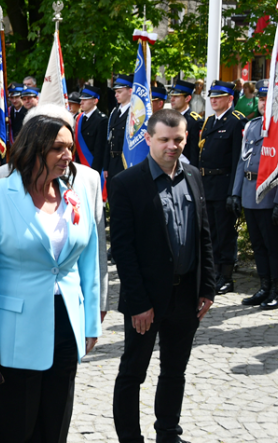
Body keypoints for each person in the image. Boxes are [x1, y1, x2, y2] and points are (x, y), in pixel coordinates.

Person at [0, 110, 101, 443]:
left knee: (54, 429)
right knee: (14, 429)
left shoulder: (75, 193)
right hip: (13, 336)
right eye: (57, 148)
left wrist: (91, 322)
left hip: (66, 326)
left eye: (70, 147)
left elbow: (89, 259)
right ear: (33, 148)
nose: (68, 156)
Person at [110, 109, 215, 443]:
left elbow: (204, 234)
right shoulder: (127, 183)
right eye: (165, 139)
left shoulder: (194, 176)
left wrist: (208, 286)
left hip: (186, 294)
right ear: (148, 139)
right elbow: (123, 249)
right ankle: (130, 437)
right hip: (146, 299)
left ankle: (168, 432)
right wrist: (139, 302)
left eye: (179, 139)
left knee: (175, 370)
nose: (173, 146)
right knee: (132, 372)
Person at [231, 81, 278, 310]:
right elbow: (241, 161)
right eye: (262, 99)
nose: (264, 103)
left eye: (269, 99)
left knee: (273, 245)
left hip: (270, 192)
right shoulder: (253, 126)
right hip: (249, 192)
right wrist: (235, 193)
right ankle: (264, 286)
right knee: (257, 244)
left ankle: (277, 289)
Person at [198, 81, 246, 294]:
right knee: (211, 232)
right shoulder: (209, 121)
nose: (214, 99)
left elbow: (237, 160)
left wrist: (233, 192)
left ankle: (226, 276)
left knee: (226, 233)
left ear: (230, 98)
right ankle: (214, 272)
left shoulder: (237, 122)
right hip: (207, 184)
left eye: (219, 96)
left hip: (224, 184)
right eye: (212, 96)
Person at [104, 74, 134, 185]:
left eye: (120, 92)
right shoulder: (114, 112)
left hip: (125, 163)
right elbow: (109, 140)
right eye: (115, 92)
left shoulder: (134, 114)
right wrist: (106, 166)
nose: (116, 95)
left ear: (130, 91)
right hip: (112, 163)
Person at [169, 80, 203, 166]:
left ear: (187, 98)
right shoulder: (168, 118)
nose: (172, 99)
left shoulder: (195, 121)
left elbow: (195, 153)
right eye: (172, 95)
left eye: (176, 96)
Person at [77, 85, 108, 175]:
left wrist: (94, 172)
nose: (81, 102)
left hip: (90, 166)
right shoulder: (79, 118)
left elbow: (100, 150)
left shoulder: (101, 120)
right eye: (81, 100)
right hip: (78, 165)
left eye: (85, 100)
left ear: (95, 101)